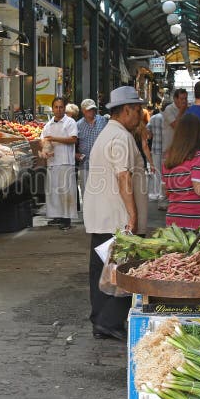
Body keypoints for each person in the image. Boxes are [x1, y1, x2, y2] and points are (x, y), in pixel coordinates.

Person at [84, 86, 148, 341]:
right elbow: (124, 178)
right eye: (138, 110)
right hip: (117, 218)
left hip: (103, 217)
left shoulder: (108, 133)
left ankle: (101, 320)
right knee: (122, 271)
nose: (140, 115)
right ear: (127, 110)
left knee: (101, 270)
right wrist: (132, 217)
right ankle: (109, 322)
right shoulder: (121, 137)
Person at [42, 97, 79, 230]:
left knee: (66, 191)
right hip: (52, 162)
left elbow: (73, 139)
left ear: (64, 108)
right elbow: (44, 141)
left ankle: (66, 219)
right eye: (56, 107)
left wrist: (54, 139)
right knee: (53, 192)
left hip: (65, 161)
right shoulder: (48, 125)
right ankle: (57, 216)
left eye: (61, 107)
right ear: (52, 109)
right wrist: (46, 150)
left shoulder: (70, 122)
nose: (58, 110)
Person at [159, 89, 188, 209]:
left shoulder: (186, 110)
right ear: (175, 99)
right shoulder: (169, 110)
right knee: (166, 175)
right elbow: (176, 126)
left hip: (179, 148)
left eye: (185, 99)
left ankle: (175, 199)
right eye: (181, 99)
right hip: (168, 148)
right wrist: (182, 111)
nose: (184, 101)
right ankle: (163, 200)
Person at [76, 98, 107, 205]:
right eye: (89, 110)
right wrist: (76, 154)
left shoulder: (103, 121)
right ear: (83, 111)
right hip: (85, 163)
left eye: (93, 109)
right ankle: (88, 216)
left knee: (101, 192)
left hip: (102, 163)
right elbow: (74, 143)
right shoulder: (78, 125)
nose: (92, 112)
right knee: (86, 192)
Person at [147, 104, 165, 201]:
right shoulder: (170, 119)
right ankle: (163, 194)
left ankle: (157, 193)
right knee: (165, 172)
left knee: (157, 172)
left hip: (156, 148)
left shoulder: (154, 118)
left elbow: (148, 132)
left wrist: (152, 135)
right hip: (167, 150)